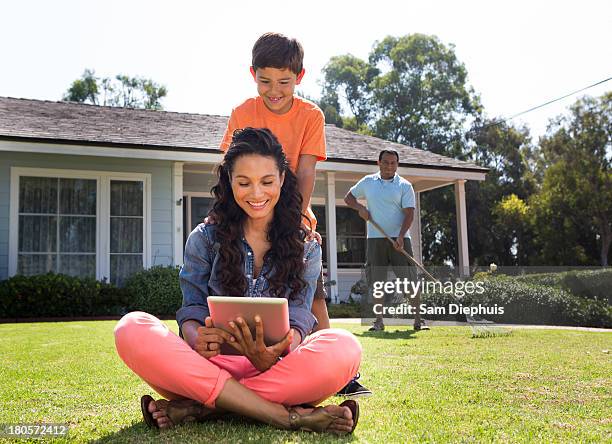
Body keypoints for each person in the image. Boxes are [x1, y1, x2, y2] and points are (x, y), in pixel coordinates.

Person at [114, 128, 362, 435]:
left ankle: (202, 406)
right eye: (244, 182)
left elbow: (300, 316)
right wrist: (196, 338)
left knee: (345, 346)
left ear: (283, 180)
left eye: (267, 182)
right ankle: (285, 416)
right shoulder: (205, 238)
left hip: (277, 369)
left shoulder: (307, 246)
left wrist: (278, 351)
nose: (256, 194)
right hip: (208, 366)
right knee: (131, 327)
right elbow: (191, 308)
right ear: (229, 182)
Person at [219, 32, 371, 397]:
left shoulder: (310, 116)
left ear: (299, 77)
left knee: (310, 289)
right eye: (265, 81)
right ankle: (236, 365)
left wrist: (296, 219)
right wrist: (224, 213)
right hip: (250, 211)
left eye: (284, 82)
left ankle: (341, 373)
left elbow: (304, 172)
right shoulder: (243, 112)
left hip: (291, 212)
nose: (274, 90)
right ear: (252, 74)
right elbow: (229, 167)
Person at [344, 149, 429, 332]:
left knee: (410, 281)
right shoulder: (368, 182)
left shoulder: (405, 186)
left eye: (393, 163)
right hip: (375, 240)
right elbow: (348, 198)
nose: (390, 166)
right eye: (386, 162)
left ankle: (418, 320)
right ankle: (379, 321)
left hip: (400, 240)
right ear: (379, 163)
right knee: (377, 282)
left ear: (397, 165)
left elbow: (410, 214)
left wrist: (400, 236)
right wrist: (360, 208)